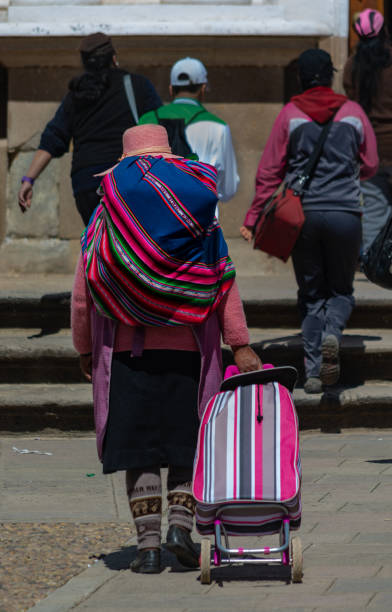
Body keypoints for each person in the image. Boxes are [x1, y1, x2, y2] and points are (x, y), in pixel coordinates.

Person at [71, 124, 261, 574]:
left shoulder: (107, 214)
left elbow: (83, 289)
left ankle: (149, 548)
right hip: (190, 349)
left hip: (125, 351)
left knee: (138, 449)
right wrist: (240, 343)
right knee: (185, 442)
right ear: (170, 157)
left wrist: (82, 347)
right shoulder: (198, 215)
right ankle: (180, 527)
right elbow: (222, 279)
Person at [240, 49, 378, 394]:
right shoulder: (353, 112)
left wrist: (253, 217)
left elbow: (269, 172)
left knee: (312, 293)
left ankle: (314, 372)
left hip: (304, 217)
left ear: (301, 78)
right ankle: (333, 332)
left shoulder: (290, 114)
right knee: (342, 290)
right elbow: (371, 163)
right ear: (330, 76)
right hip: (346, 213)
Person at [18, 32, 162, 226]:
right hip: (126, 178)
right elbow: (159, 129)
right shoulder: (138, 86)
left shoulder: (76, 95)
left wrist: (29, 179)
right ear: (113, 57)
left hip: (86, 183)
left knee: (99, 242)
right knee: (131, 244)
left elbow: (53, 138)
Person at [138, 57, 239, 204]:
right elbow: (228, 189)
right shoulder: (218, 127)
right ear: (203, 89)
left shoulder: (146, 120)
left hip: (153, 214)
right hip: (199, 217)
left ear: (171, 89)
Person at [344, 8, 392, 254]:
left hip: (369, 147)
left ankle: (375, 263)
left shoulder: (352, 67)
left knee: (373, 208)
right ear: (384, 31)